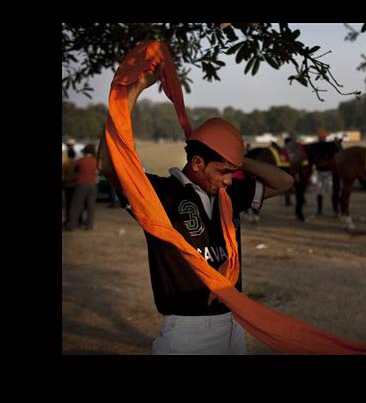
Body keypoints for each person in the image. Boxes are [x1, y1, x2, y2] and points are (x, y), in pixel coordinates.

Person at [97, 66, 294, 355]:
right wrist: (132, 93)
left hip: (234, 321)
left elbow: (284, 181)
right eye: (223, 170)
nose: (229, 179)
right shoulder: (160, 194)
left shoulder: (229, 194)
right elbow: (108, 164)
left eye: (232, 172)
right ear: (198, 163)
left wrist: (236, 160)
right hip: (187, 331)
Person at [65, 144, 98, 231]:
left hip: (81, 185)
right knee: (91, 207)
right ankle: (89, 225)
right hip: (93, 185)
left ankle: (72, 225)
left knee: (76, 205)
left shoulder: (80, 161)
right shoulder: (95, 161)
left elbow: (75, 171)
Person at [314, 128, 333, 215]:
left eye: (322, 137)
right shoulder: (316, 147)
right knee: (319, 191)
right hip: (320, 172)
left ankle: (335, 209)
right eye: (320, 137)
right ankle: (319, 210)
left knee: (331, 191)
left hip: (328, 172)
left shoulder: (330, 146)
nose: (321, 138)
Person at [62, 146, 81, 226]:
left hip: (67, 185)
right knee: (77, 204)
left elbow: (64, 175)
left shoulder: (65, 163)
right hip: (75, 185)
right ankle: (77, 220)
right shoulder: (77, 163)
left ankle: (68, 220)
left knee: (68, 204)